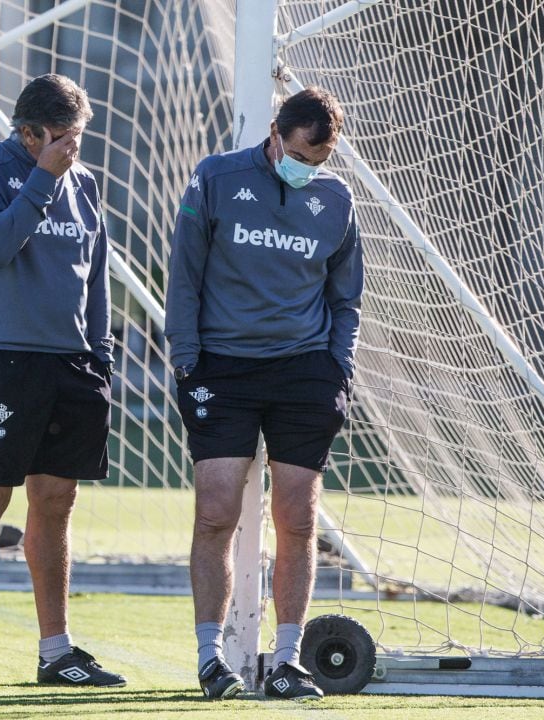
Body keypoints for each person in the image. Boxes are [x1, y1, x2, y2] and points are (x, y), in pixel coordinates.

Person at [165, 85, 363, 701]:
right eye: (303, 154)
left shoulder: (335, 199)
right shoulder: (216, 178)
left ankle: (286, 661)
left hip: (304, 371)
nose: (311, 169)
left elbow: (346, 295)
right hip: (222, 369)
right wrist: (187, 360)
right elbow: (185, 274)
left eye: (322, 159)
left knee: (298, 517)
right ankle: (210, 658)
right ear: (276, 135)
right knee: (217, 510)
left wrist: (339, 367)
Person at [0, 74, 125, 690]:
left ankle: (57, 651)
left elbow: (94, 275)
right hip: (7, 361)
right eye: (63, 138)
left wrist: (99, 356)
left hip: (73, 364)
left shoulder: (87, 183)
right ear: (29, 132)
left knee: (56, 502)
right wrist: (43, 177)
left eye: (78, 137)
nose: (73, 149)